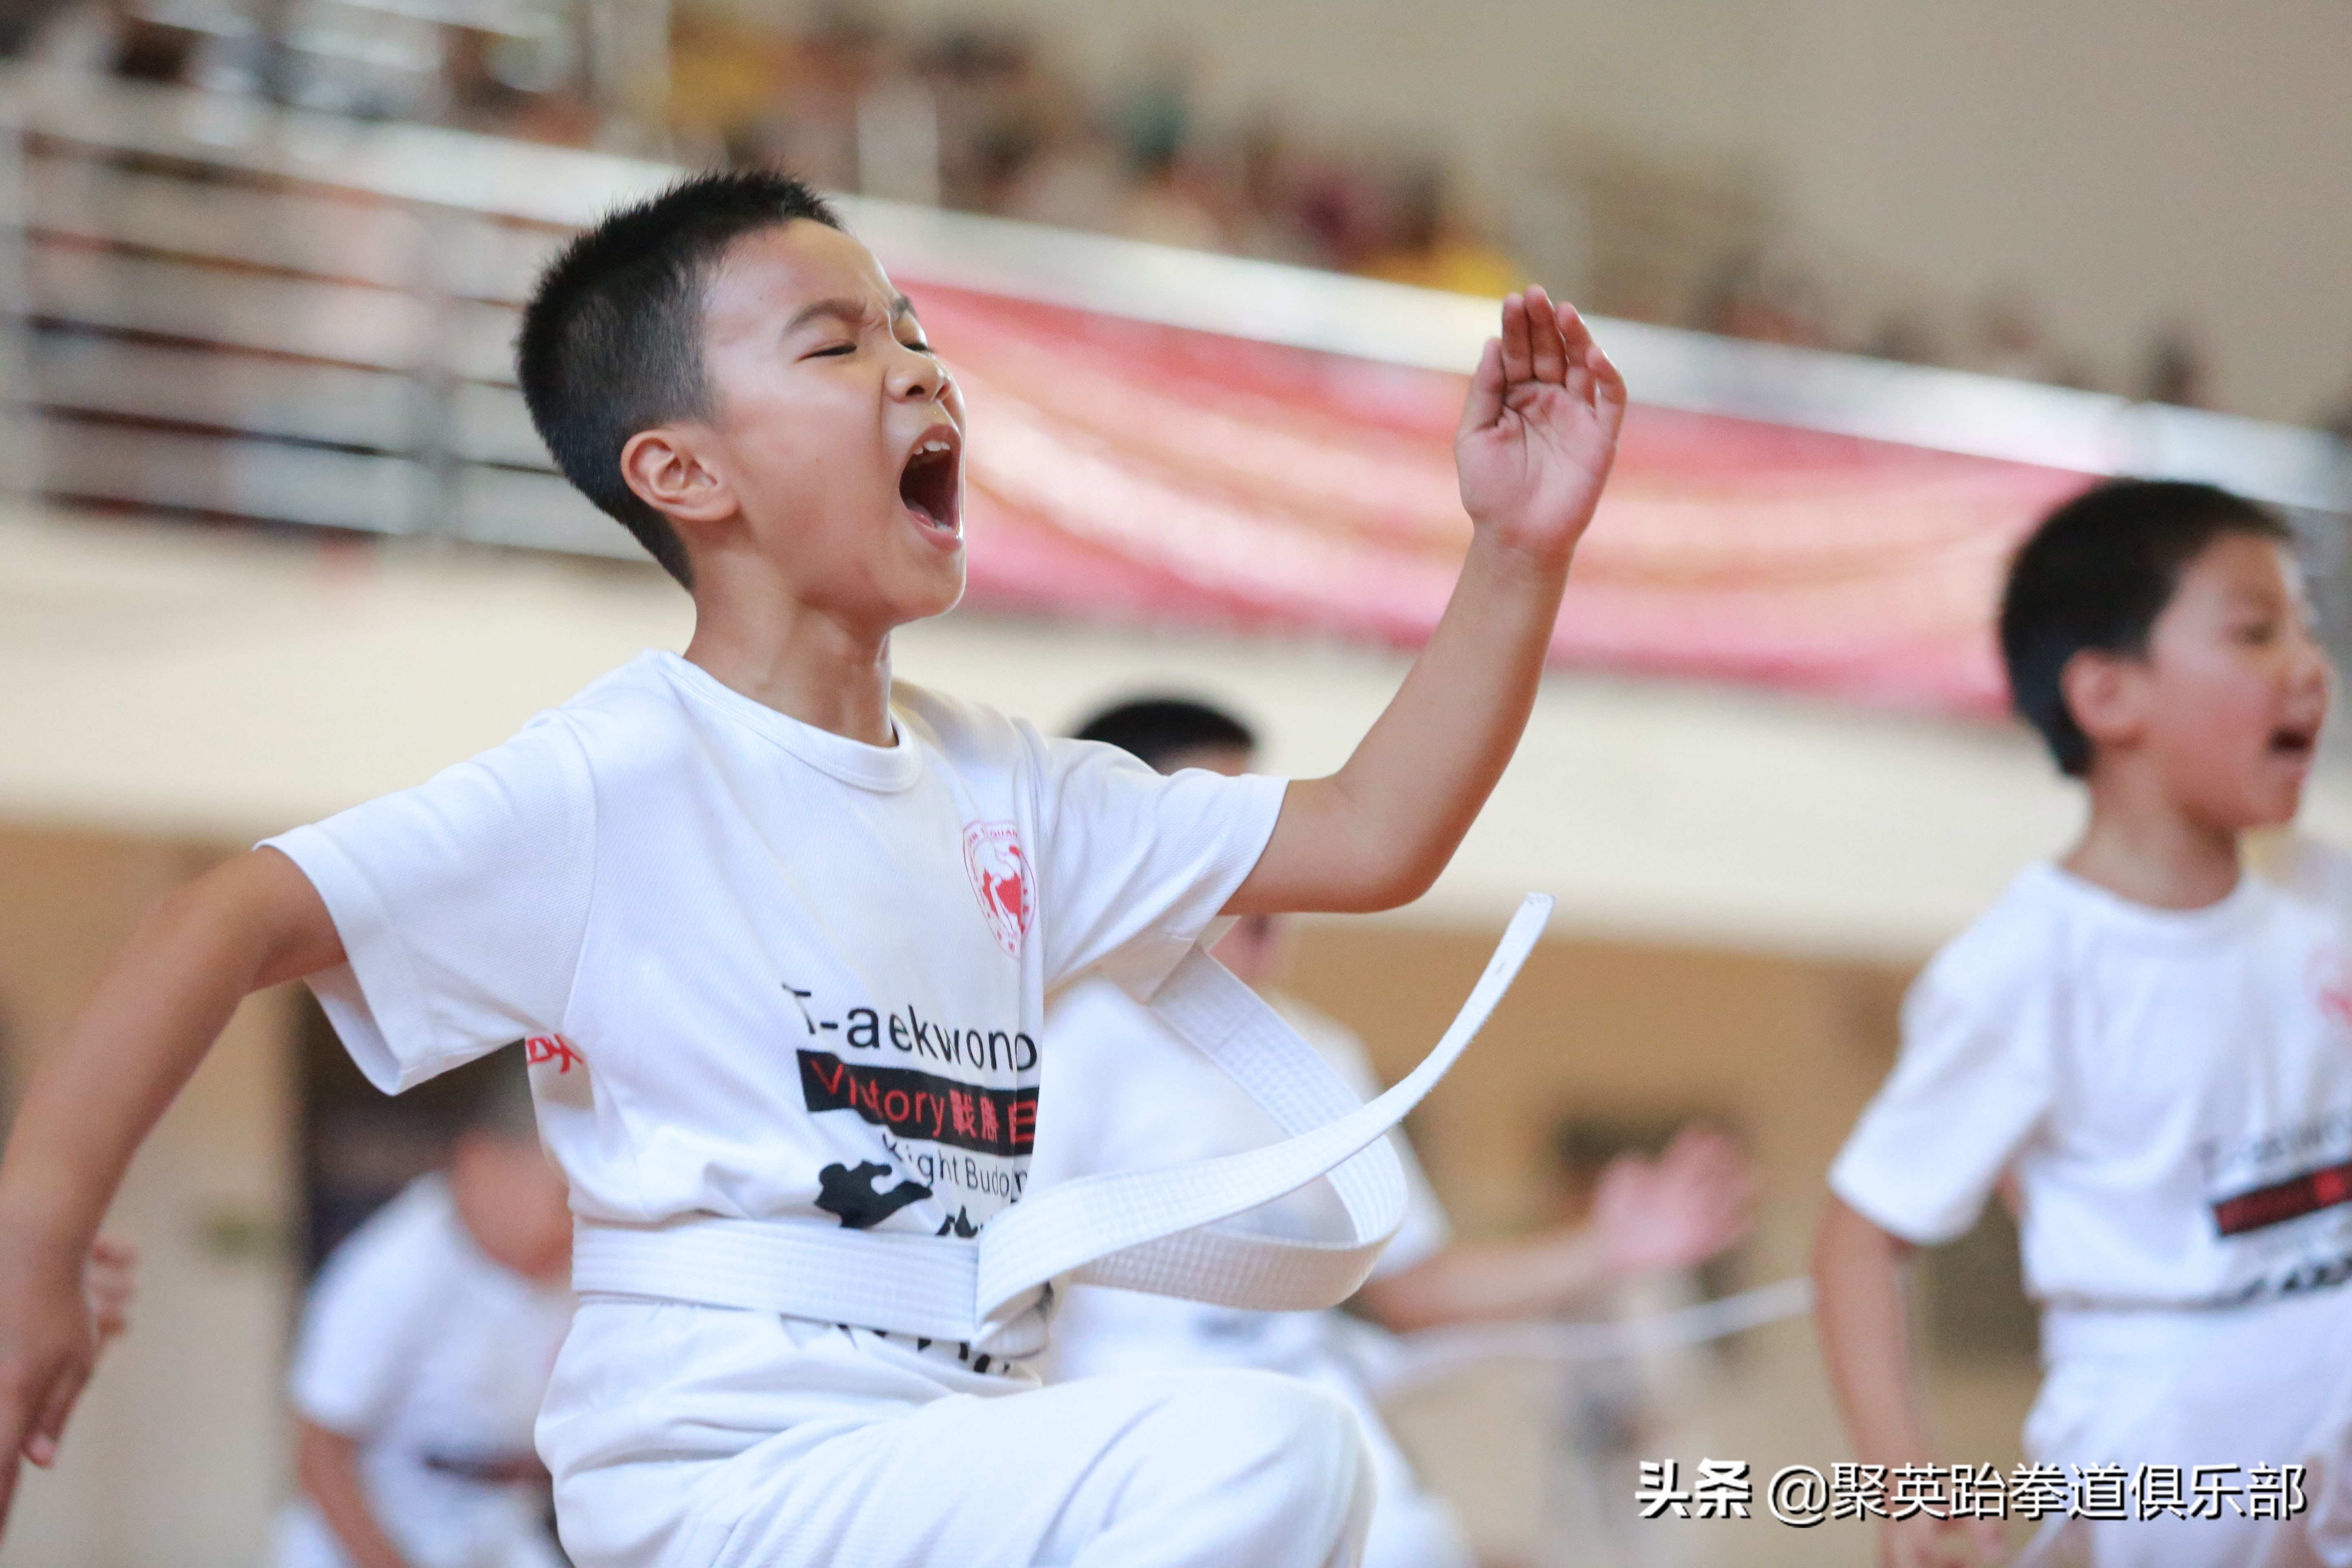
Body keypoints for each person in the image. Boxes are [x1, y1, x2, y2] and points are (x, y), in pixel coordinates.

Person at [0, 168, 1626, 1568]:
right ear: (683, 473)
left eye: (913, 327)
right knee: (1281, 1456)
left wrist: (1518, 551)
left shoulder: (1014, 787)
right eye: (838, 343)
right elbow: (218, 920)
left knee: (1316, 1482)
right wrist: (35, 1248)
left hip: (952, 1450)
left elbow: (1372, 835)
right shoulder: (616, 778)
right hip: (726, 1488)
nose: (917, 368)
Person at [1034, 696, 1755, 1568]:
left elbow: (1415, 1287)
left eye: (1263, 831)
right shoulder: (1068, 1046)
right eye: (1215, 835)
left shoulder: (1318, 1052)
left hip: (1347, 1491)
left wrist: (1607, 1249)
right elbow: (1012, 1318)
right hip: (1156, 1503)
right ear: (1126, 857)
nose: (1261, 874)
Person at [1811, 479, 2352, 1568]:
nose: (2309, 665)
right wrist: (1909, 1486)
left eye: (2308, 627)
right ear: (2108, 697)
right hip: (2170, 1451)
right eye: (2255, 631)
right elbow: (1860, 1240)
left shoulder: (2328, 896)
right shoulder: (2025, 969)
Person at [277, 1057, 575, 1568]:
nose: (574, 1224)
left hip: (504, 1529)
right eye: (564, 1198)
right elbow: (319, 1452)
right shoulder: (396, 1267)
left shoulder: (573, 1265)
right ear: (482, 1162)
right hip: (381, 1532)